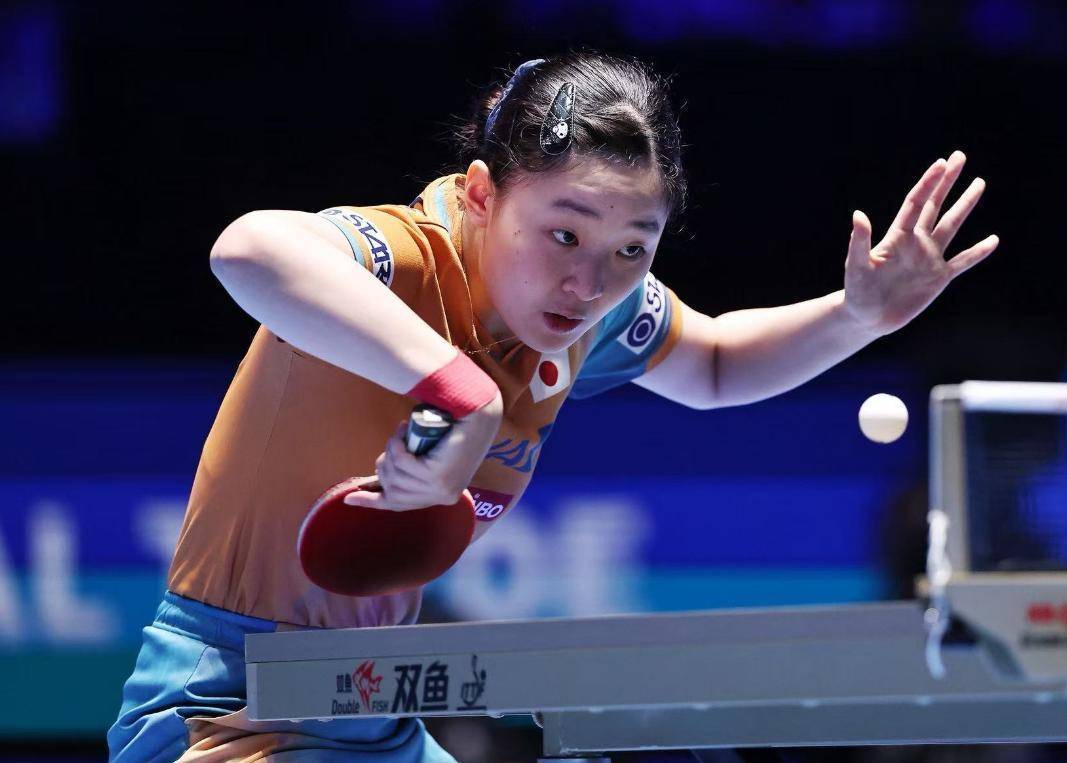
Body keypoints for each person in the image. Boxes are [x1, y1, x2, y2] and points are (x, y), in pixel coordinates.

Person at [107, 50, 998, 761]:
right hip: (228, 704)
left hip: (371, 708)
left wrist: (856, 317)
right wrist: (457, 390)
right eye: (564, 233)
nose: (589, 280)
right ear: (482, 193)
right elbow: (248, 249)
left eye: (631, 248)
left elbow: (716, 364)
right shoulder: (404, 257)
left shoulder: (583, 316)